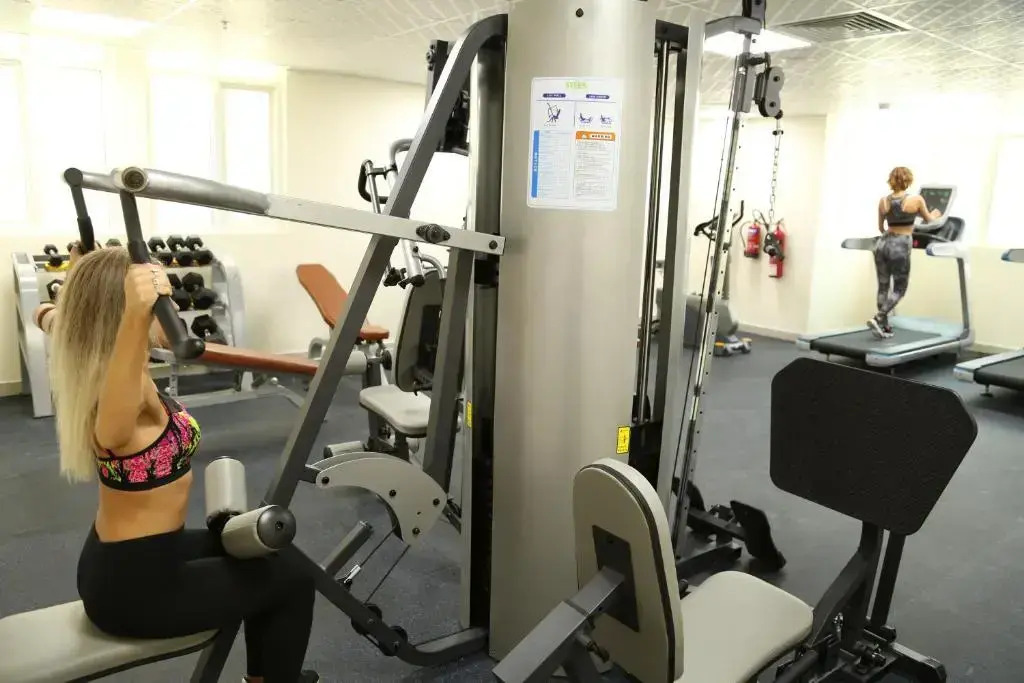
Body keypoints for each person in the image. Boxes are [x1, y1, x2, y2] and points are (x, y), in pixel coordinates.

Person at [47, 245, 318, 683]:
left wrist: (81, 276)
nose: (171, 309)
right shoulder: (117, 395)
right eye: (161, 302)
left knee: (272, 554)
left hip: (139, 556)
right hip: (137, 590)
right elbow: (110, 433)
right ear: (127, 311)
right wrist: (135, 312)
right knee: (292, 581)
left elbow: (53, 317)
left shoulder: (111, 362)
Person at [868, 167, 942, 339]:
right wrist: (936, 214)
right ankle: (878, 318)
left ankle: (884, 327)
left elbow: (881, 228)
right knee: (899, 289)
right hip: (900, 245)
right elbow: (930, 221)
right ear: (908, 180)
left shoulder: (883, 201)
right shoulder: (916, 200)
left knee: (883, 287)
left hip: (882, 244)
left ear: (891, 180)